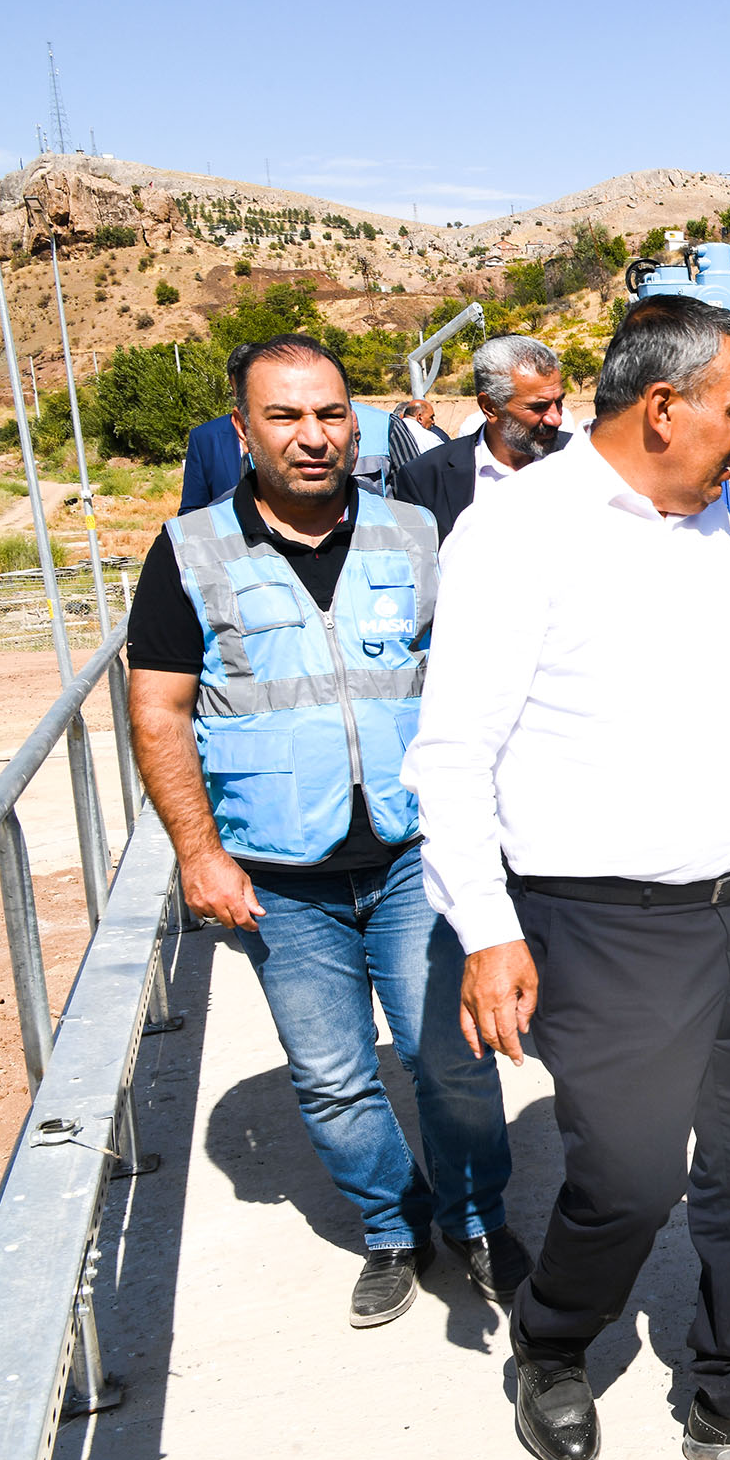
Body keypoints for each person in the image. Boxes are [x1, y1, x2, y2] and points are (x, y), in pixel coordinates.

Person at [404, 295, 730, 1460]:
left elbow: (727, 709)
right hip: (604, 922)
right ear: (663, 407)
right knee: (624, 1176)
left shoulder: (702, 518)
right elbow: (451, 753)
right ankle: (555, 1344)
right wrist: (486, 930)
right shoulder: (516, 535)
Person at [126, 332, 525, 1327]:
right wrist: (199, 852)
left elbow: (481, 686)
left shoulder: (418, 535)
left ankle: (476, 1221)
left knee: (453, 1057)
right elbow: (158, 710)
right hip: (279, 874)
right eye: (286, 415)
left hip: (414, 859)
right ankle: (393, 1226)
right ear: (242, 430)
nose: (313, 436)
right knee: (335, 1075)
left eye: (332, 413)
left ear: (361, 421)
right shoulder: (188, 553)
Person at [395, 336, 571, 539]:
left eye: (558, 402)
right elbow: (417, 563)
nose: (556, 419)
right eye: (538, 407)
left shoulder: (585, 459)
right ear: (489, 407)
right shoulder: (424, 478)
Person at [174, 347, 251, 514]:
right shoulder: (205, 438)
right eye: (243, 384)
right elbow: (191, 511)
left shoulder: (301, 434)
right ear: (232, 385)